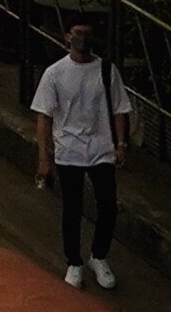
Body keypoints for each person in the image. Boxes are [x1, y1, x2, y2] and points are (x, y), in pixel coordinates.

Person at [28, 21, 135, 290]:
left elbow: (119, 110)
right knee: (72, 209)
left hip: (101, 149)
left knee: (108, 205)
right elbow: (44, 116)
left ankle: (98, 256)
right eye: (77, 34)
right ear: (66, 37)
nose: (81, 39)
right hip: (69, 150)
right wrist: (44, 158)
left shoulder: (107, 71)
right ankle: (73, 261)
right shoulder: (55, 74)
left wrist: (120, 143)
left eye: (86, 34)